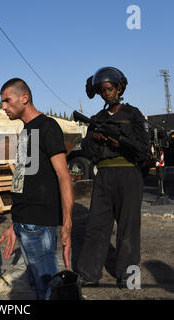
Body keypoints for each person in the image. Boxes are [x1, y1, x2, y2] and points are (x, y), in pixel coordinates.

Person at [0, 78, 74, 300]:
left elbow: (64, 176)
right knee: (39, 288)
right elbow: (23, 181)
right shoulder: (25, 131)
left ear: (24, 98)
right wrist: (16, 223)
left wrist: (67, 224)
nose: (3, 106)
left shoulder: (47, 127)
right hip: (25, 223)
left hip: (39, 224)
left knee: (49, 291)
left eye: (6, 100)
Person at [75, 67, 151, 288]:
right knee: (96, 225)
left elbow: (144, 149)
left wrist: (122, 143)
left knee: (129, 228)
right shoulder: (97, 118)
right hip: (104, 175)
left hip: (128, 174)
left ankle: (130, 277)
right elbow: (86, 150)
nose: (106, 93)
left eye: (109, 89)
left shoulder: (132, 114)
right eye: (102, 90)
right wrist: (96, 138)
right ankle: (88, 274)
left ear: (119, 88)